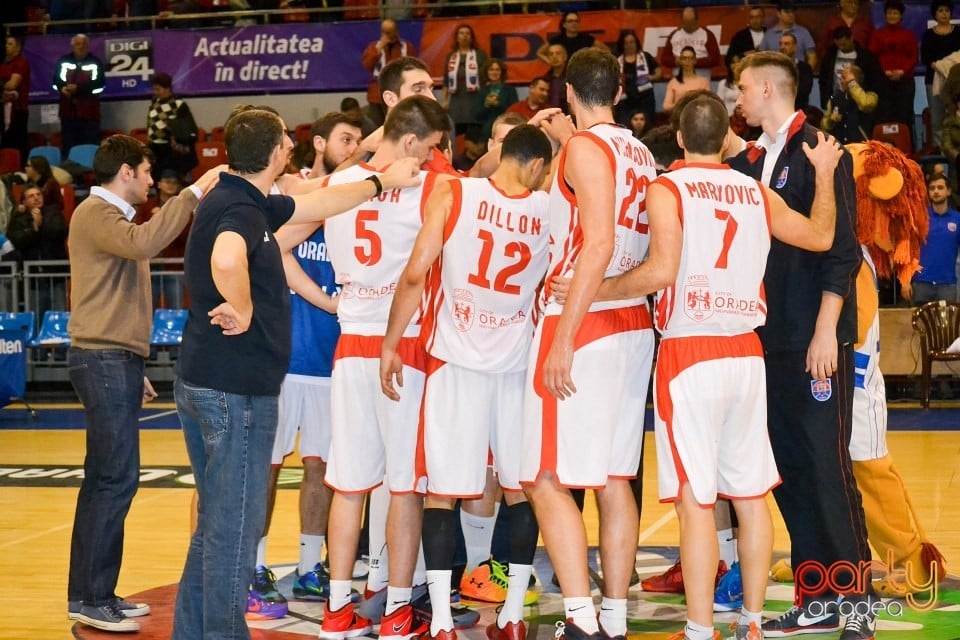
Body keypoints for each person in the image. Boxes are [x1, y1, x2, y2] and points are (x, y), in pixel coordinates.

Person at [555, 95, 843, 640]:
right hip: (745, 352)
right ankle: (753, 624)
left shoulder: (669, 188)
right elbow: (822, 237)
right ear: (725, 136)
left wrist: (596, 292)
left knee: (696, 501)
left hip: (691, 353)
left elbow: (660, 272)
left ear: (681, 139)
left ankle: (699, 629)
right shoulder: (756, 191)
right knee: (751, 498)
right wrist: (824, 175)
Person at [170, 108, 420, 640]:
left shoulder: (251, 198)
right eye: (286, 139)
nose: (292, 144)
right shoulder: (239, 208)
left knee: (217, 523)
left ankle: (192, 633)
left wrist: (379, 181)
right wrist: (240, 304)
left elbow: (319, 202)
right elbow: (227, 257)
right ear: (274, 153)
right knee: (234, 530)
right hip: (231, 391)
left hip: (214, 382)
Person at [381, 122, 552, 640]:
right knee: (520, 491)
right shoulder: (549, 209)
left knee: (441, 495)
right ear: (540, 167)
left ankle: (438, 623)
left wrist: (391, 342)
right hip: (516, 366)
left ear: (501, 153)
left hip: (456, 363)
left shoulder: (454, 191)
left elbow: (415, 273)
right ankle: (515, 616)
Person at [729, 51, 873, 639]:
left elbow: (841, 251)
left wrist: (823, 331)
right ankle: (818, 596)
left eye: (741, 87)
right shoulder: (754, 160)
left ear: (767, 88)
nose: (736, 97)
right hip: (767, 338)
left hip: (815, 337)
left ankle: (857, 600)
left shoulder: (821, 149)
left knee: (826, 465)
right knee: (787, 468)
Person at [520, 47, 657, 640]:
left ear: (568, 92)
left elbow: (596, 244)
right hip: (632, 321)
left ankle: (579, 619)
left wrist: (563, 337)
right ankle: (614, 618)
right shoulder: (643, 151)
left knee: (544, 476)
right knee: (613, 477)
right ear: (621, 89)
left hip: (584, 318)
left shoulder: (583, 147)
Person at [64, 135, 221, 633]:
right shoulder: (96, 215)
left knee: (105, 481)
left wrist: (135, 361)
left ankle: (91, 593)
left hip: (115, 358)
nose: (153, 181)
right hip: (102, 357)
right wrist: (192, 193)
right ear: (126, 171)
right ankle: (91, 597)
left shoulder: (111, 219)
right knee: (114, 480)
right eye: (148, 171)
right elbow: (147, 242)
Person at [313, 95, 450, 640]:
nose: (435, 157)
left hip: (351, 345)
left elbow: (275, 244)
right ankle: (396, 610)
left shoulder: (338, 185)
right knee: (404, 485)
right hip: (405, 346)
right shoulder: (432, 189)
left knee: (348, 485)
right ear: (412, 142)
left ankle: (337, 610)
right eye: (433, 147)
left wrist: (328, 301)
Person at [246, 112, 363, 618]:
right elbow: (278, 256)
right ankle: (252, 567)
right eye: (345, 140)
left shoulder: (354, 206)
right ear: (319, 144)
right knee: (266, 469)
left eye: (360, 141)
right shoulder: (293, 194)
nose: (354, 148)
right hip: (283, 358)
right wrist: (325, 300)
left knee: (320, 469)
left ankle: (310, 565)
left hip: (329, 361)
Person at [135, 169, 189, 310]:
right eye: (167, 181)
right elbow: (139, 232)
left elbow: (186, 235)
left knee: (176, 309)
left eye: (174, 182)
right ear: (159, 184)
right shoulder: (147, 206)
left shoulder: (183, 207)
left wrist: (165, 220)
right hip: (150, 267)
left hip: (174, 267)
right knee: (147, 311)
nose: (171, 185)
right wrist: (155, 221)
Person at [869, 0, 919, 150]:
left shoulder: (908, 35)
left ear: (901, 16)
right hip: (883, 83)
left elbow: (914, 57)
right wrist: (884, 72)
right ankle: (883, 151)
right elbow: (872, 57)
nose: (892, 15)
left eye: (895, 13)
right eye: (889, 12)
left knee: (904, 118)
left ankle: (907, 153)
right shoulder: (877, 35)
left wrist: (902, 72)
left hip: (905, 82)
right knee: (884, 118)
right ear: (885, 15)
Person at [904, 172, 960, 304]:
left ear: (949, 191)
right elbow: (908, 250)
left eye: (940, 188)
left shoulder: (958, 219)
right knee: (919, 325)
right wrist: (905, 281)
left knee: (946, 325)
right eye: (932, 188)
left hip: (948, 285)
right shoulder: (919, 218)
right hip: (921, 283)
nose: (936, 191)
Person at [52, 34, 105, 157]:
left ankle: (92, 172)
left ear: (88, 46)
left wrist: (79, 89)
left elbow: (99, 85)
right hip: (68, 112)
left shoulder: (95, 62)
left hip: (89, 113)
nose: (81, 47)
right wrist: (62, 88)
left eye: (84, 44)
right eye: (78, 44)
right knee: (68, 146)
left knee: (90, 146)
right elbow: (56, 81)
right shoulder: (63, 61)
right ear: (72, 46)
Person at [361, 18, 417, 128]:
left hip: (399, 94)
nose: (386, 35)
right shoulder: (374, 47)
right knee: (375, 128)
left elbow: (413, 69)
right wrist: (379, 48)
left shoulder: (406, 47)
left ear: (396, 31)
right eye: (384, 31)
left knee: (399, 127)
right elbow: (367, 65)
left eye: (389, 32)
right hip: (377, 96)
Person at [818, 25, 883, 115]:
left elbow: (874, 80)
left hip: (858, 104)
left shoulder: (866, 57)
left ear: (851, 38)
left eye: (844, 44)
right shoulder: (829, 56)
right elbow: (823, 80)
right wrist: (825, 101)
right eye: (838, 44)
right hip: (836, 101)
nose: (841, 47)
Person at [146, 71, 199, 183]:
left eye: (158, 89)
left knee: (171, 179)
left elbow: (188, 129)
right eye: (154, 89)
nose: (155, 92)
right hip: (154, 148)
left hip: (170, 151)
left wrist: (171, 129)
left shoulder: (179, 104)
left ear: (167, 89)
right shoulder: (154, 102)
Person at [921, 1, 960, 149]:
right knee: (937, 121)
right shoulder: (928, 35)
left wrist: (950, 69)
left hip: (956, 83)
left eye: (947, 11)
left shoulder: (958, 32)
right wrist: (939, 67)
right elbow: (925, 58)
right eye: (940, 11)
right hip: (933, 81)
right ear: (935, 14)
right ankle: (941, 160)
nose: (944, 14)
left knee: (955, 119)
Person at [441, 24, 487, 138]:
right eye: (461, 33)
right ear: (456, 37)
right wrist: (444, 101)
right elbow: (446, 81)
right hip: (457, 100)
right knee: (455, 134)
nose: (464, 36)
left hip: (475, 99)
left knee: (474, 134)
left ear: (472, 37)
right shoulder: (451, 56)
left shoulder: (480, 55)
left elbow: (486, 78)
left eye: (467, 33)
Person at [615, 29, 660, 130]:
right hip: (625, 102)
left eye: (632, 42)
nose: (629, 45)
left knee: (647, 127)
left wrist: (651, 77)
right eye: (626, 43)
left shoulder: (645, 56)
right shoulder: (617, 60)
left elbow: (658, 71)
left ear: (636, 42)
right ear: (622, 45)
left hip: (645, 99)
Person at [821, 65, 878, 144]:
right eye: (841, 78)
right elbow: (824, 125)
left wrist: (851, 83)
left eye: (845, 78)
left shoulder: (870, 96)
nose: (841, 81)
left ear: (856, 80)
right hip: (840, 147)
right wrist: (831, 120)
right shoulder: (835, 98)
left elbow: (865, 104)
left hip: (861, 147)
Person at [659, 5, 721, 76]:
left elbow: (715, 59)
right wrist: (676, 61)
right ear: (681, 21)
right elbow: (664, 58)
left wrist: (694, 62)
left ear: (697, 21)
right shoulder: (674, 35)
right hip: (679, 78)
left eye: (691, 24)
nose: (688, 27)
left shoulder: (707, 34)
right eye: (685, 24)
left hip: (701, 78)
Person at [759, 1, 817, 69]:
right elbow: (761, 58)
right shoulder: (768, 35)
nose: (791, 14)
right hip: (775, 75)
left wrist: (806, 75)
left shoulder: (803, 33)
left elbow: (812, 56)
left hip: (798, 75)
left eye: (792, 12)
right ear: (779, 14)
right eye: (787, 12)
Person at [536, 11, 607, 65]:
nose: (574, 23)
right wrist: (550, 62)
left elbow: (606, 50)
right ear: (564, 24)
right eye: (570, 21)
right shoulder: (557, 39)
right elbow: (539, 53)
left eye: (576, 21)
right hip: (563, 73)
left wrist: (595, 63)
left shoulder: (587, 39)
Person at [0, 34, 29, 162]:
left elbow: (12, 84)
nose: (6, 46)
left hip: (18, 110)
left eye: (10, 44)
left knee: (17, 143)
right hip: (3, 108)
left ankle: (19, 170)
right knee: (4, 143)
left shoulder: (21, 62)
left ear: (18, 48)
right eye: (6, 44)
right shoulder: (3, 63)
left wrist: (3, 84)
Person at [817, 0, 874, 64]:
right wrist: (829, 61)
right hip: (836, 63)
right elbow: (822, 45)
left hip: (861, 64)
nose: (853, 5)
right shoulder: (832, 22)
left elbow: (873, 45)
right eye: (850, 2)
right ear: (842, 3)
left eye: (856, 3)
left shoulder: (866, 23)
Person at [476, 59, 518, 143]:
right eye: (491, 69)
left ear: (502, 72)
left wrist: (498, 104)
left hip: (506, 130)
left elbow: (514, 112)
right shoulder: (482, 91)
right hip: (486, 132)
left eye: (497, 69)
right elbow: (477, 115)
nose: (494, 72)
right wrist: (487, 105)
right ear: (487, 72)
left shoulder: (510, 89)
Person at [662, 46, 711, 114]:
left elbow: (709, 103)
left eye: (690, 58)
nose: (687, 61)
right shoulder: (673, 82)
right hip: (679, 117)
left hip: (698, 117)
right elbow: (666, 106)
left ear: (695, 61)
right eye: (684, 58)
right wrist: (681, 103)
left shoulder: (703, 81)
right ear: (680, 60)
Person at [725, 6, 766, 72]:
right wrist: (744, 54)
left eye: (758, 17)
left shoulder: (770, 34)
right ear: (748, 19)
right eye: (752, 17)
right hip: (747, 72)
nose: (755, 20)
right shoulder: (739, 36)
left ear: (763, 18)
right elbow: (729, 58)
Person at [780, 33, 813, 110]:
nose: (782, 47)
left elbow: (804, 91)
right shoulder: (773, 67)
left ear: (795, 47)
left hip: (797, 110)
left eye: (786, 44)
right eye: (781, 44)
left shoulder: (805, 68)